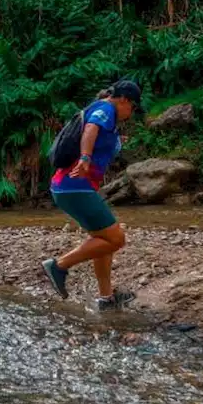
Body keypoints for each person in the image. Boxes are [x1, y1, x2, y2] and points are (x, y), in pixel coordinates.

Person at [41, 80, 143, 312]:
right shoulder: (106, 108)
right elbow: (90, 130)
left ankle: (106, 299)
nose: (132, 113)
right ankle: (58, 266)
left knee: (104, 242)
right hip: (74, 186)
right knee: (116, 239)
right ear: (124, 100)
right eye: (133, 107)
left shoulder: (103, 111)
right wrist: (85, 158)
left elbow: (97, 134)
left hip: (71, 187)